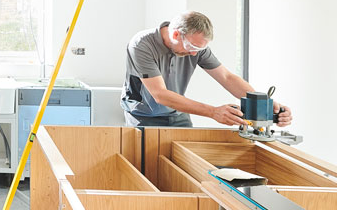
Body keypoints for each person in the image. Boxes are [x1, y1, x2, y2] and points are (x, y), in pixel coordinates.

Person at [121, 11, 293, 128]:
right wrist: (213, 112)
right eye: (192, 46)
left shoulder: (196, 47)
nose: (194, 53)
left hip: (178, 114)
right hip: (144, 116)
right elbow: (160, 95)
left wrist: (263, 104)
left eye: (200, 49)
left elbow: (226, 77)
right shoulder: (142, 45)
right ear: (175, 35)